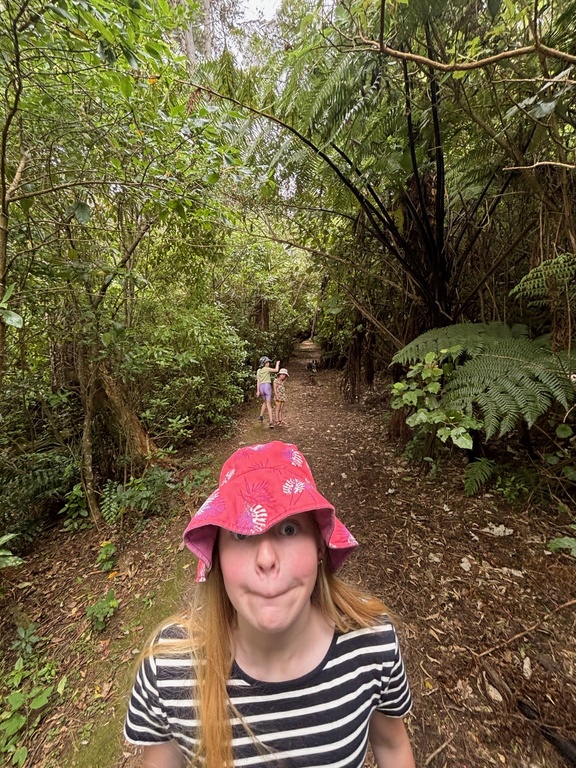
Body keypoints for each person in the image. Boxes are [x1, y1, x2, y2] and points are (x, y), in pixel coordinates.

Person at [124, 440, 415, 768]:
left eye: (288, 529)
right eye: (241, 534)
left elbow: (392, 745)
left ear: (320, 547)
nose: (266, 559)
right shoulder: (169, 672)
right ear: (217, 558)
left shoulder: (372, 643)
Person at [256, 356, 280, 428]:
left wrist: (258, 391)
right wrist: (277, 364)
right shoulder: (267, 369)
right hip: (267, 386)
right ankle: (271, 422)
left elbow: (258, 381)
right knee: (269, 405)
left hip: (261, 387)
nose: (268, 363)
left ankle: (261, 416)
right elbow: (276, 370)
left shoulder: (258, 371)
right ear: (264, 363)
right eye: (267, 362)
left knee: (265, 402)